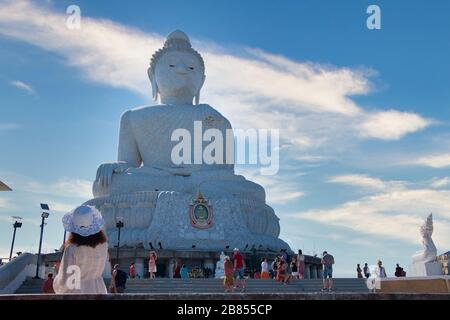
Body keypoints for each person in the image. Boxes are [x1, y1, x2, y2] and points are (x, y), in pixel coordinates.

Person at [53, 205, 108, 294]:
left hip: (78, 292)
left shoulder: (72, 249)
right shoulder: (103, 246)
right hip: (98, 290)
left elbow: (68, 282)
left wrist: (58, 275)